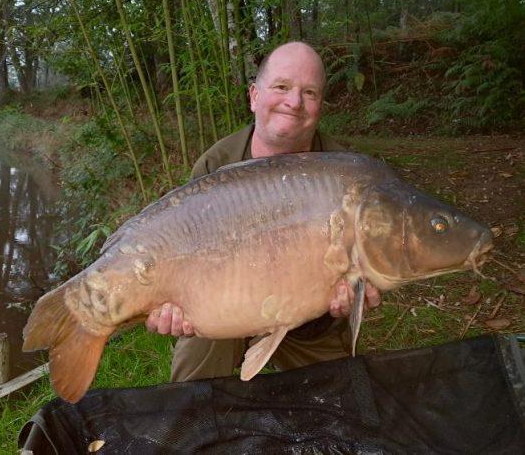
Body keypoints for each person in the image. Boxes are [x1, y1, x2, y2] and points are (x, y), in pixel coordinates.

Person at [146, 41, 381, 381]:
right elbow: (182, 250)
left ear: (320, 106)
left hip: (308, 320)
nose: (294, 102)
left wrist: (356, 293)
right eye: (282, 87)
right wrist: (168, 305)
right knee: (192, 394)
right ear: (254, 96)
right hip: (224, 306)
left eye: (310, 93)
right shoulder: (215, 164)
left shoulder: (344, 176)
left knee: (341, 405)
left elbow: (366, 261)